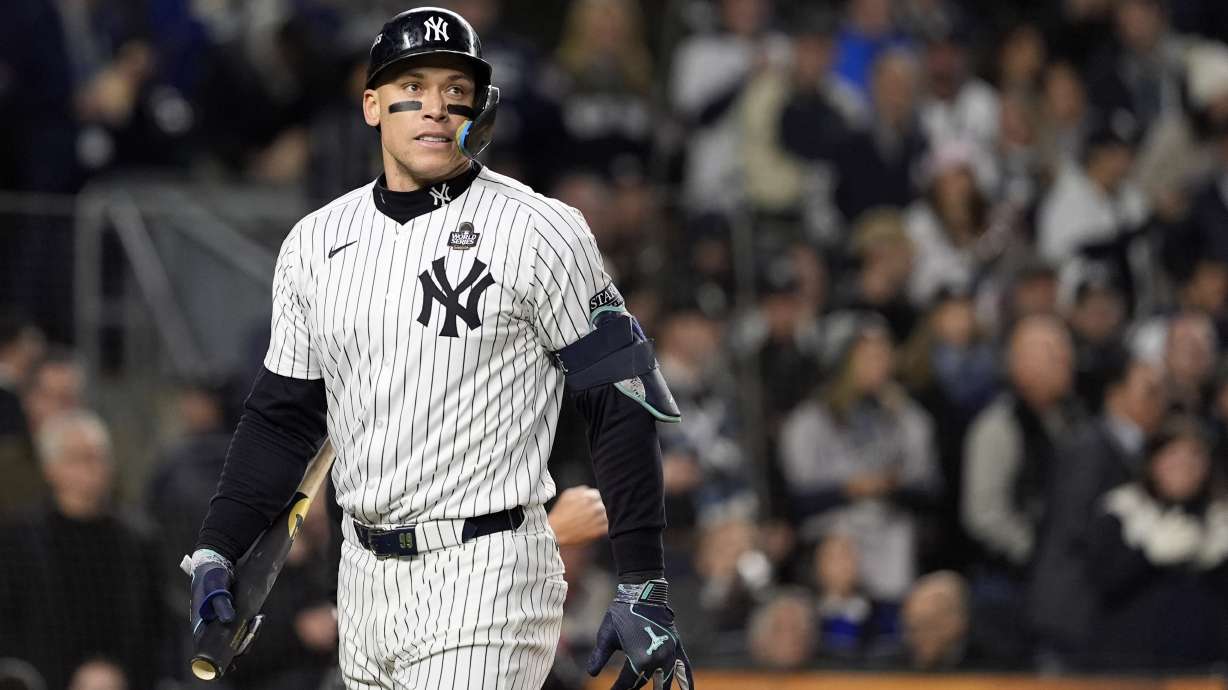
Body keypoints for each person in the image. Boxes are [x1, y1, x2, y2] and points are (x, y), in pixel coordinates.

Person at [186, 8, 692, 690]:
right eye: (413, 87)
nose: (435, 107)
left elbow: (620, 400)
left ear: (480, 108)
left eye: (456, 90)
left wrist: (641, 581)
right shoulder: (314, 242)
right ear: (371, 105)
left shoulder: (541, 229)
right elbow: (284, 417)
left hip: (488, 570)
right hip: (362, 577)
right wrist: (220, 544)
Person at [0, 411, 166, 690]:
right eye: (77, 458)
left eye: (99, 457)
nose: (92, 468)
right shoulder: (19, 540)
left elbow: (156, 623)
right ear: (50, 468)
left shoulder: (138, 539)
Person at [1028, 351, 1167, 669]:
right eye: (1149, 391)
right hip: (1070, 612)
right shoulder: (1089, 449)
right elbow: (1076, 528)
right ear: (1115, 394)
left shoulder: (1134, 450)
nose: (1159, 400)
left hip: (1097, 614)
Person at [1088, 418, 1228, 670]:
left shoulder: (1219, 520)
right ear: (1153, 461)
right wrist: (1147, 555)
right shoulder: (1123, 509)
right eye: (1174, 457)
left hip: (1201, 663)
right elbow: (1103, 582)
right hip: (1130, 661)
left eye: (1195, 458)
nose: (1185, 467)